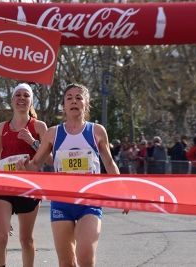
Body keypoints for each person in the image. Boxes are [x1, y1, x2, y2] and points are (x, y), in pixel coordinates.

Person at [15, 83, 127, 267]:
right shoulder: (53, 133)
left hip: (89, 202)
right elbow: (35, 165)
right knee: (66, 262)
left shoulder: (97, 131)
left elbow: (109, 163)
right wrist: (23, 165)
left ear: (86, 104)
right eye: (69, 98)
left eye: (79, 98)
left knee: (85, 255)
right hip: (62, 202)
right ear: (64, 106)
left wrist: (122, 190)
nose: (74, 101)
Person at [0, 83, 49, 267]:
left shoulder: (39, 127)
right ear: (11, 101)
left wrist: (33, 142)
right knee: (1, 237)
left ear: (31, 101)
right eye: (17, 95)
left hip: (29, 186)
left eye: (26, 95)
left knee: (26, 240)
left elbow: (50, 159)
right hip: (4, 185)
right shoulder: (2, 127)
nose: (21, 98)